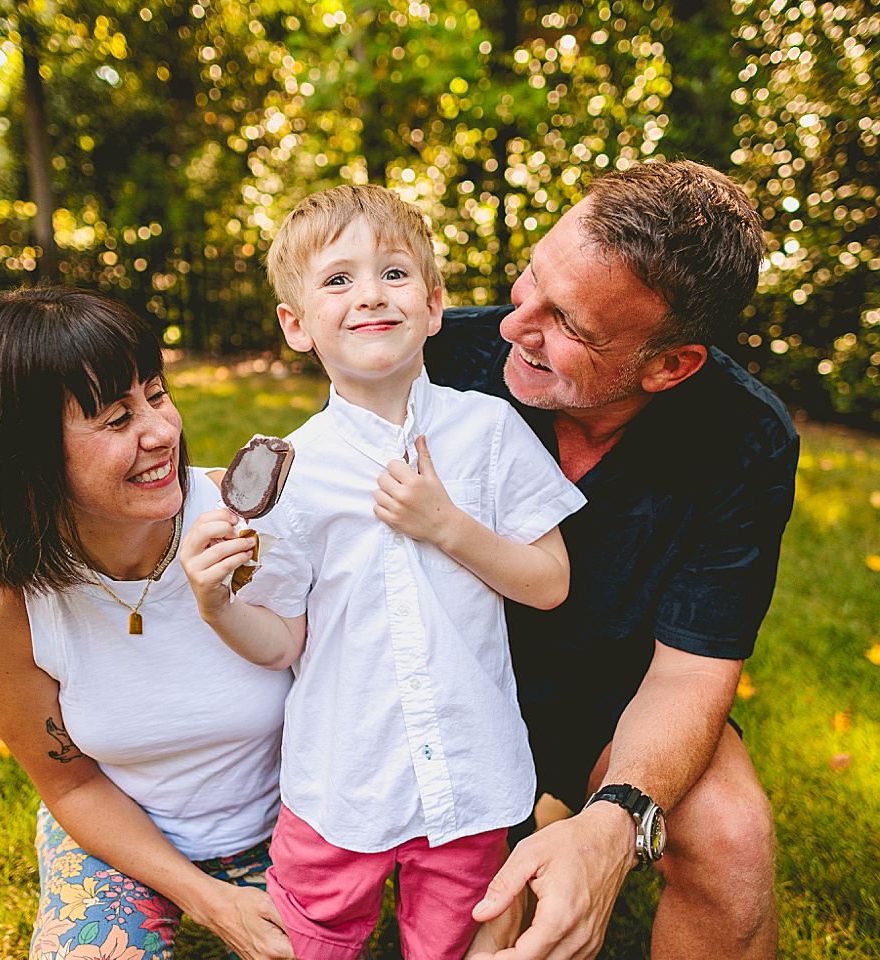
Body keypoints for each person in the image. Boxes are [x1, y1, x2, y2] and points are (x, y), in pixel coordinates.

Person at [179, 184, 587, 960]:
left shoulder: (490, 431)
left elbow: (549, 582)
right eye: (338, 279)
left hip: (471, 776)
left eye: (394, 274)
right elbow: (281, 642)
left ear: (434, 306)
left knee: (459, 948)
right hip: (342, 782)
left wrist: (449, 527)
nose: (371, 294)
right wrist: (215, 602)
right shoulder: (291, 472)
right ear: (296, 326)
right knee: (311, 945)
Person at [423, 159, 798, 960]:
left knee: (732, 841)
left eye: (568, 325)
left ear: (669, 365)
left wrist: (617, 816)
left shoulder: (746, 438)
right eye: (530, 278)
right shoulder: (430, 363)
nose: (513, 327)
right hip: (444, 674)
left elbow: (693, 672)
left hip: (617, 696)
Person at [0, 287, 295, 960]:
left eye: (157, 394)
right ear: (19, 454)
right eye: (117, 419)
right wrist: (206, 900)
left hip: (293, 819)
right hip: (121, 831)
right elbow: (71, 782)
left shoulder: (252, 528)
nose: (162, 432)